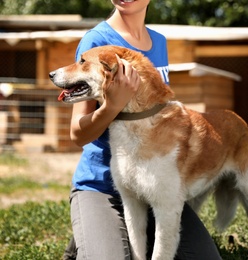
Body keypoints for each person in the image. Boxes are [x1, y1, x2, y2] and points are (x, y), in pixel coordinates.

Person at [63, 1, 222, 259]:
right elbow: (77, 134)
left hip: (153, 185)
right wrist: (112, 106)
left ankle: (96, 236)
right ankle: (92, 230)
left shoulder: (158, 42)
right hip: (101, 184)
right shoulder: (97, 40)